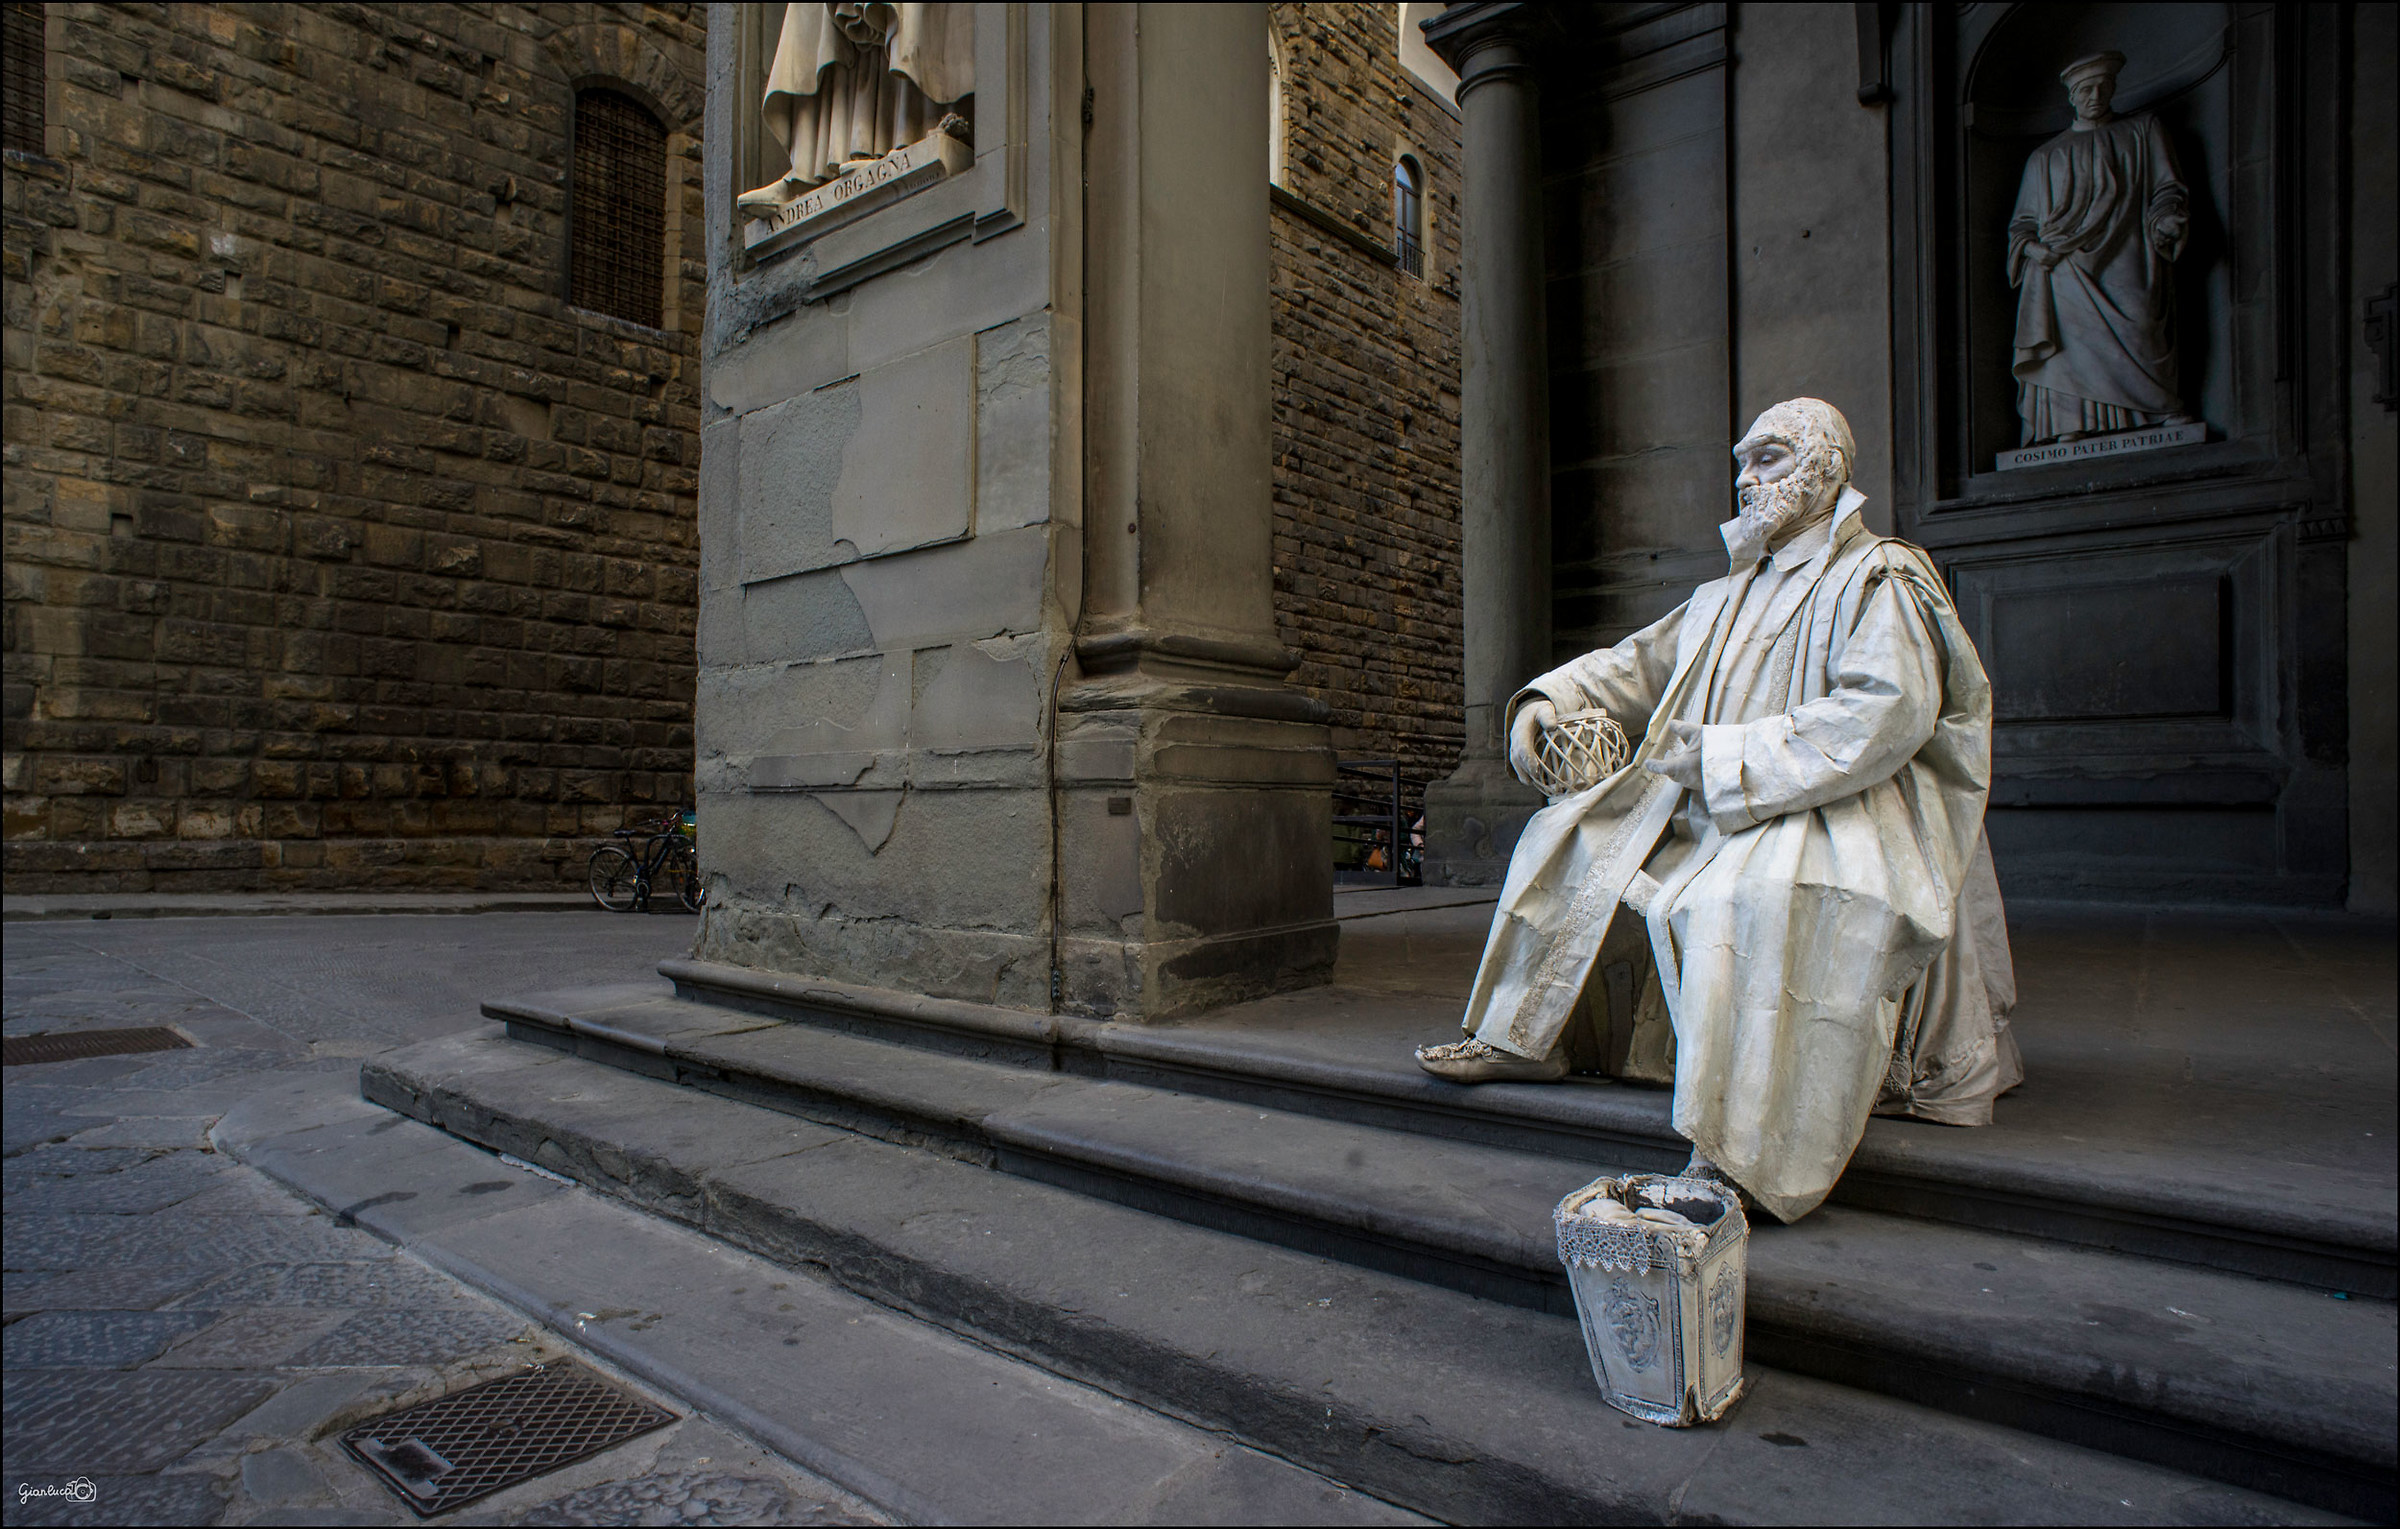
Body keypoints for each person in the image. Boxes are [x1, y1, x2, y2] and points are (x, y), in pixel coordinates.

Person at [1416, 400, 2021, 1223]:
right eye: (1742, 460)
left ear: (1826, 465)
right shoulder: (1723, 597)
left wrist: (1722, 758)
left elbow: (1887, 711)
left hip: (1833, 807)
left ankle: (1738, 1148)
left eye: (1767, 457)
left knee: (1753, 895)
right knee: (1568, 830)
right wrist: (1546, 698)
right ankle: (1526, 1035)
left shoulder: (1880, 577)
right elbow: (1631, 666)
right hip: (1707, 804)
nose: (1745, 478)